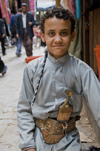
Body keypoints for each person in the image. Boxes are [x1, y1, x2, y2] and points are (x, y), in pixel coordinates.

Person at [17, 7, 100, 151]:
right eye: (51, 33)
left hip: (70, 141)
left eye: (64, 33)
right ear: (43, 36)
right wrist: (28, 145)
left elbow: (98, 107)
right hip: (38, 140)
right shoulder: (32, 69)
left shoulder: (83, 71)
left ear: (73, 36)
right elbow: (24, 109)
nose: (57, 39)